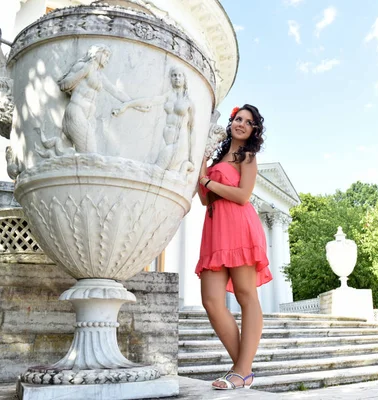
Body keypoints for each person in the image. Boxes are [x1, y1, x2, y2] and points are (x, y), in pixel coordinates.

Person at [195, 104, 272, 390]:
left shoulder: (247, 157)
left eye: (248, 122)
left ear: (254, 129)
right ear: (231, 123)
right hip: (215, 230)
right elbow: (204, 199)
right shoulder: (217, 158)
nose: (241, 124)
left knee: (245, 294)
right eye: (238, 119)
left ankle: (240, 371)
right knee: (212, 301)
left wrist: (206, 181)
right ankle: (244, 368)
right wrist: (202, 161)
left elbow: (242, 196)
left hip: (239, 226)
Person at [113, 67, 195, 173]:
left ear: (184, 79)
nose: (177, 78)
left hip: (179, 141)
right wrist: (127, 105)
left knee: (156, 170)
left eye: (180, 75)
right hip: (165, 140)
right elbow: (150, 101)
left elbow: (192, 129)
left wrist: (191, 157)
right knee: (153, 170)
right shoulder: (168, 96)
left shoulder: (188, 102)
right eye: (174, 75)